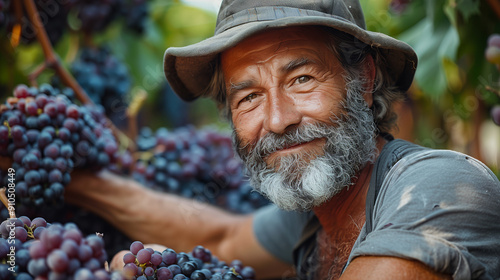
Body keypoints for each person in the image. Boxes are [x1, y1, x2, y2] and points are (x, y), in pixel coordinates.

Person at [66, 0, 500, 279]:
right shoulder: (315, 217)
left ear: (364, 78)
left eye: (302, 78)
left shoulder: (440, 188)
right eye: (249, 96)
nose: (276, 120)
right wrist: (78, 182)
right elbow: (220, 238)